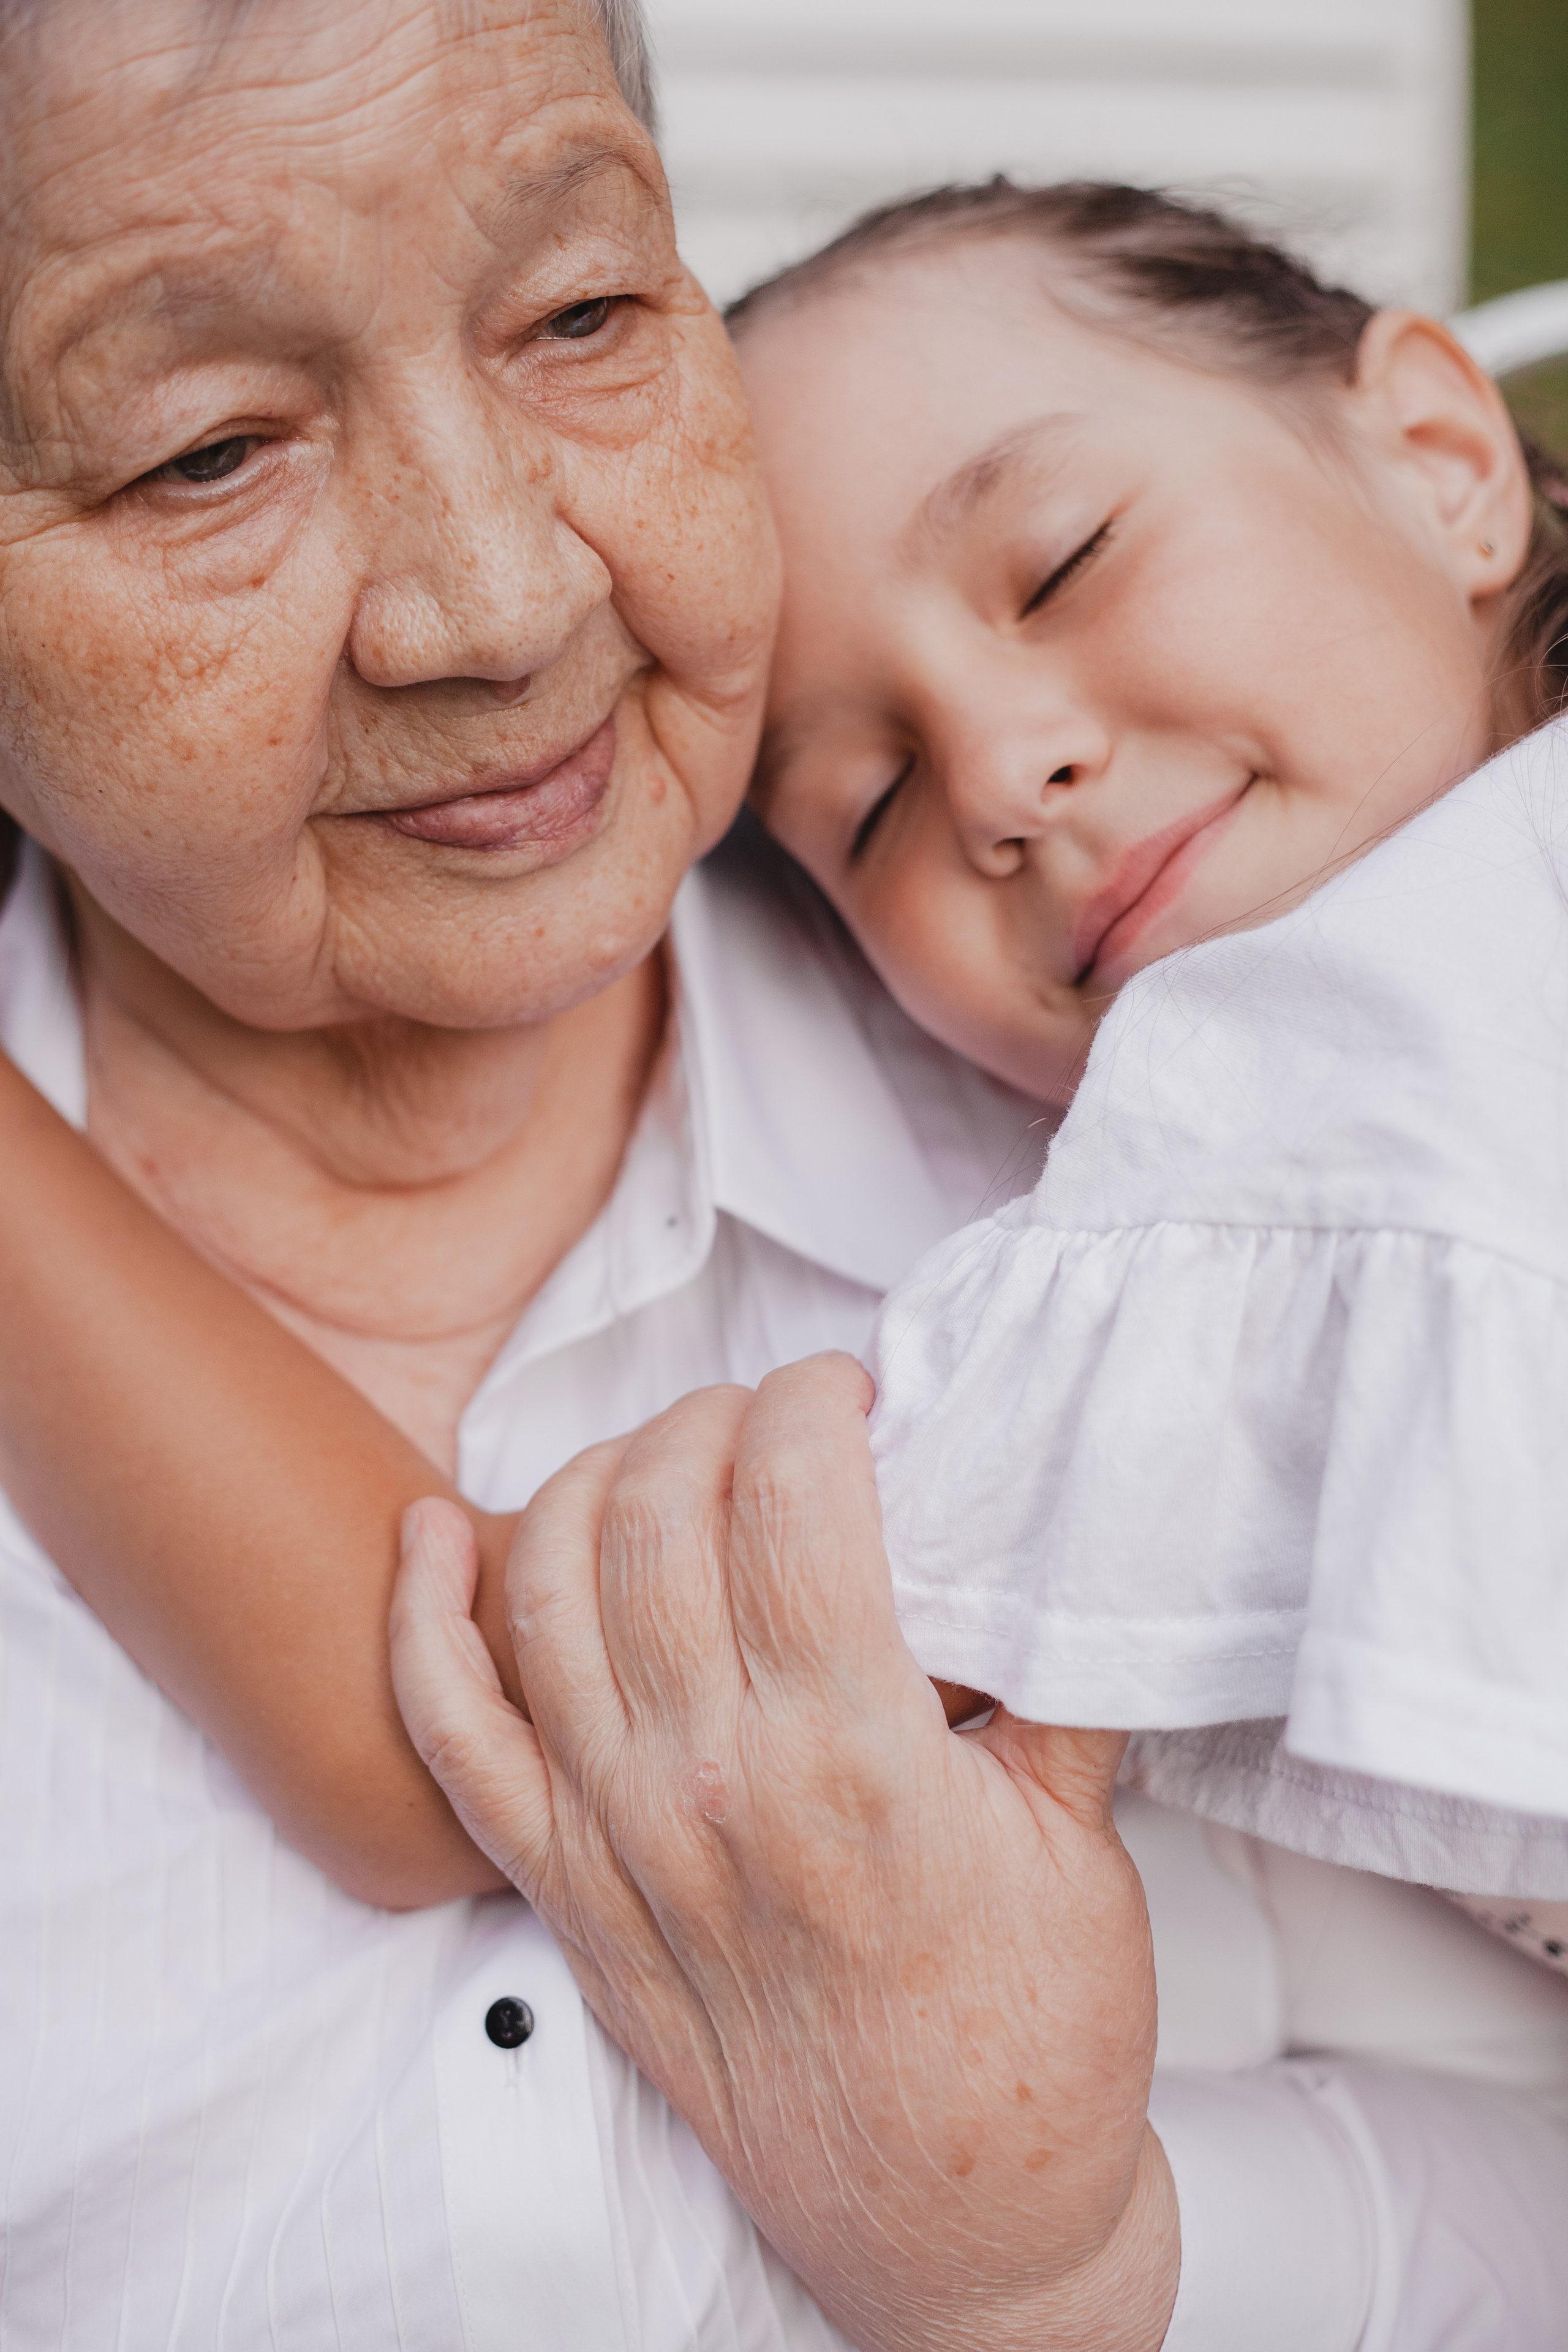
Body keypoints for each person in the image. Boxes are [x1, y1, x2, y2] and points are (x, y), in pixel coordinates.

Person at [0, 0, 1563, 2340]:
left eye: (585, 312)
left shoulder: (1185, 1161)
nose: (506, 605)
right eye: (211, 450)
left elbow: (454, 1716)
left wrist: (1080, 2266)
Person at [719, 181, 1568, 1943]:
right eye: (867, 810)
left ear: (1438, 458)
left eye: (1061, 564)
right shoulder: (1173, 1257)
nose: (1001, 775)